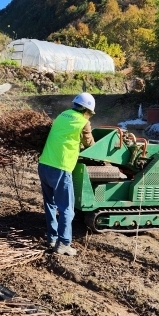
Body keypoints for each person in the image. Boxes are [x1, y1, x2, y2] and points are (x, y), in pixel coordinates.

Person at [38, 92, 96, 255]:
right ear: (86, 111)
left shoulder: (62, 115)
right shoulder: (83, 122)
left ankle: (52, 238)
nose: (89, 116)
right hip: (60, 168)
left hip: (44, 165)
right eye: (90, 113)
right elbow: (90, 144)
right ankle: (64, 244)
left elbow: (64, 137)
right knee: (67, 209)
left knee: (50, 204)